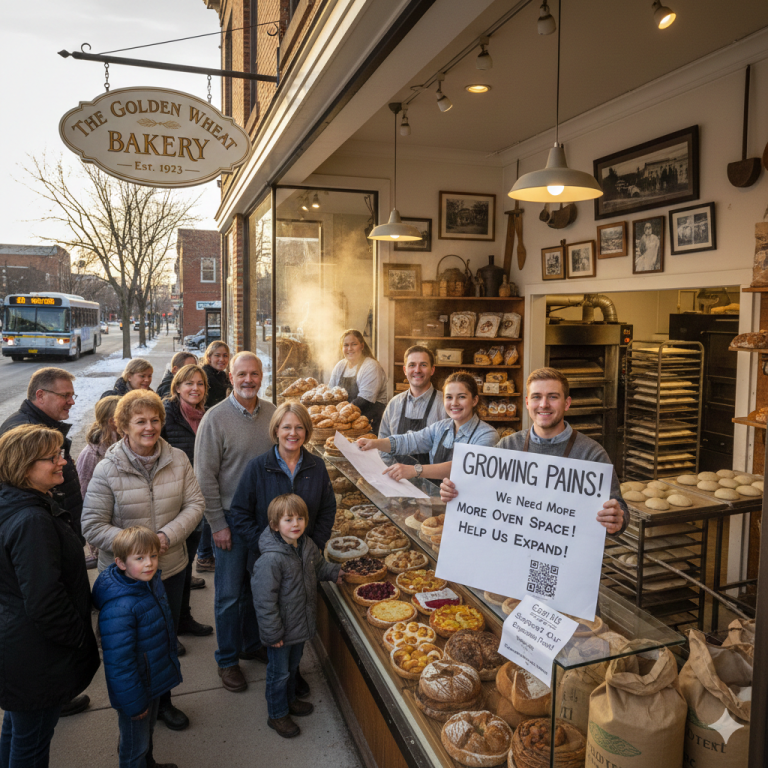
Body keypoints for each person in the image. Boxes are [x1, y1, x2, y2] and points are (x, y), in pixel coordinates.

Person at [81, 389, 205, 732]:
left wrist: (166, 538)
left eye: (154, 420)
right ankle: (137, 710)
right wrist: (137, 550)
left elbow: (195, 504)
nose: (149, 427)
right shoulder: (108, 469)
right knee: (132, 648)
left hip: (171, 567)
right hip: (126, 581)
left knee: (164, 640)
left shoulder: (177, 458)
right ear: (123, 427)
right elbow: (92, 524)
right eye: (140, 421)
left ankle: (164, 703)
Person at [0, 425, 100, 766]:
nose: (63, 462)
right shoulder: (32, 520)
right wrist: (78, 640)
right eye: (53, 457)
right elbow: (45, 601)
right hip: (36, 658)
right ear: (26, 466)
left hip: (20, 650)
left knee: (17, 731)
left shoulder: (15, 503)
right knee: (31, 745)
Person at [439, 367, 628, 536]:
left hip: (562, 560)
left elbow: (619, 507)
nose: (544, 404)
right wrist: (455, 491)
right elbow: (478, 492)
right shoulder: (507, 446)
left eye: (553, 397)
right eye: (537, 397)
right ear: (528, 403)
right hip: (513, 553)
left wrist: (617, 519)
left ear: (567, 403)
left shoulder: (591, 454)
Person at [229, 402, 336, 699]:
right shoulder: (258, 466)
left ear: (307, 431)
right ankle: (279, 687)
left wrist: (316, 543)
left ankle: (293, 674)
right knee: (272, 618)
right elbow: (239, 513)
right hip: (270, 562)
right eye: (286, 427)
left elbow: (327, 508)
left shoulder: (316, 466)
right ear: (275, 430)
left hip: (303, 563)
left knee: (297, 620)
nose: (293, 433)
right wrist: (266, 548)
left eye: (299, 427)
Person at [195, 351, 276, 694]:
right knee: (228, 594)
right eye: (241, 374)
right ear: (230, 377)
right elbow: (204, 478)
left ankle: (250, 643)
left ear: (261, 377)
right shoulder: (215, 419)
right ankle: (227, 659)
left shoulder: (273, 413)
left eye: (254, 374)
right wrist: (217, 524)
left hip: (265, 520)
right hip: (229, 517)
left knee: (257, 589)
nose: (248, 380)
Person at [252, 494, 342, 739]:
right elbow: (264, 601)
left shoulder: (306, 545)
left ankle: (290, 700)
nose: (295, 524)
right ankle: (277, 713)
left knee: (292, 667)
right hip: (280, 631)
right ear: (274, 525)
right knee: (278, 673)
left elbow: (319, 567)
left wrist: (336, 573)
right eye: (288, 519)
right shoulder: (271, 559)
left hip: (300, 624)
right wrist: (272, 633)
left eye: (300, 518)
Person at [92, 527, 181, 768]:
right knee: (134, 747)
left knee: (147, 733)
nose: (149, 563)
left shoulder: (148, 584)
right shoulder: (120, 608)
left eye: (153, 556)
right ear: (120, 563)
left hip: (150, 682)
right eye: (139, 558)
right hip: (135, 691)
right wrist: (133, 702)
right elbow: (119, 664)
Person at [358, 371, 499, 483]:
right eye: (449, 397)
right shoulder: (440, 428)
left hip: (466, 508)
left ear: (474, 400)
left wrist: (415, 470)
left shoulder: (487, 435)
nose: (454, 403)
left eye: (461, 397)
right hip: (436, 501)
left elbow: (465, 467)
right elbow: (410, 440)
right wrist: (375, 443)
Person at [0, 367, 84, 539]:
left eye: (72, 395)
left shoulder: (45, 426)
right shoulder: (25, 434)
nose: (72, 402)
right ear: (40, 395)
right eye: (65, 395)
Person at [161, 364, 213, 638]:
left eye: (200, 383)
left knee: (186, 562)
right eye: (188, 383)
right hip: (170, 501)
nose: (195, 388)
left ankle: (183, 619)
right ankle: (167, 630)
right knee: (169, 568)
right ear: (177, 387)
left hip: (196, 501)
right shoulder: (165, 413)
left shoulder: (205, 416)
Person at [378, 345, 447, 464]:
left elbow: (450, 451)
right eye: (412, 365)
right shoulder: (394, 403)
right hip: (397, 478)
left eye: (423, 365)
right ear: (405, 370)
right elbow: (383, 444)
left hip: (433, 480)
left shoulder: (446, 404)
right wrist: (392, 472)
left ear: (432, 370)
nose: (417, 370)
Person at [77, 395, 121, 569]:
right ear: (112, 421)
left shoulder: (120, 444)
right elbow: (86, 499)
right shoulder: (91, 455)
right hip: (106, 531)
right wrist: (95, 544)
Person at [328, 329, 387, 433]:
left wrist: (340, 415)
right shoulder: (340, 366)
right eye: (346, 345)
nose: (350, 348)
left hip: (369, 424)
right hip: (346, 423)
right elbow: (331, 393)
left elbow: (364, 400)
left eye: (354, 344)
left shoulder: (370, 366)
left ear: (362, 346)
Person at [201, 340, 231, 408]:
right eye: (217, 355)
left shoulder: (222, 375)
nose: (222, 359)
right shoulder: (204, 376)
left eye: (225, 356)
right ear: (209, 358)